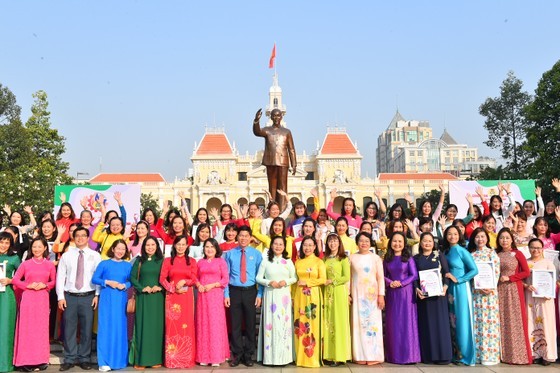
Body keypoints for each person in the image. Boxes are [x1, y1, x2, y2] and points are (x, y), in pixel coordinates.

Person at [56, 227, 102, 372]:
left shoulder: (95, 256)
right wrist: (60, 297)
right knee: (69, 328)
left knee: (86, 329)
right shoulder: (66, 256)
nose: (80, 238)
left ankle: (84, 358)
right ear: (73, 237)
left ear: (88, 238)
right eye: (78, 236)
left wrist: (96, 295)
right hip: (70, 296)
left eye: (83, 236)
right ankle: (69, 358)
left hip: (88, 296)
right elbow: (60, 277)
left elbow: (98, 277)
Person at [12, 237, 56, 372]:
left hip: (42, 298)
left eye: (39, 246)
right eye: (34, 247)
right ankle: (24, 361)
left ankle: (40, 359)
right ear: (31, 249)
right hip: (28, 299)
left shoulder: (49, 265)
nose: (37, 249)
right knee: (27, 329)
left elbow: (53, 282)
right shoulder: (25, 264)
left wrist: (45, 284)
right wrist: (28, 285)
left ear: (44, 248)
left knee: (41, 329)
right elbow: (15, 280)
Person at [223, 225, 263, 367]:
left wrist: (259, 293)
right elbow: (225, 277)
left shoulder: (257, 254)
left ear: (250, 237)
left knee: (251, 325)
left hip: (250, 291)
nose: (243, 238)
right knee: (235, 325)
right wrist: (226, 294)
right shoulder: (229, 254)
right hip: (234, 291)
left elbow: (260, 276)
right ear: (237, 237)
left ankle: (248, 354)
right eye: (241, 235)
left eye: (246, 236)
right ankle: (237, 354)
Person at [256, 236, 296, 366]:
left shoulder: (288, 262)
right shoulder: (266, 261)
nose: (278, 246)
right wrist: (269, 282)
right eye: (276, 244)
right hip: (270, 296)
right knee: (271, 324)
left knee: (283, 325)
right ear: (271, 246)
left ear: (284, 247)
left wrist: (286, 282)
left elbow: (294, 277)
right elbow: (258, 278)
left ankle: (284, 357)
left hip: (283, 296)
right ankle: (270, 357)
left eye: (281, 244)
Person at [92, 240, 132, 372]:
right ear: (113, 249)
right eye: (118, 248)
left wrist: (125, 285)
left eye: (123, 249)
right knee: (105, 328)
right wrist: (108, 282)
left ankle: (119, 360)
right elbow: (95, 279)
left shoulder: (128, 265)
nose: (120, 251)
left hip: (121, 299)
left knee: (119, 329)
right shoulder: (104, 263)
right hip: (107, 299)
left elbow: (132, 281)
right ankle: (103, 361)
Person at [413, 232, 452, 364]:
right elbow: (414, 277)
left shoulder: (439, 255)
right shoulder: (416, 258)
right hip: (424, 298)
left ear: (433, 243)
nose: (427, 243)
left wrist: (445, 287)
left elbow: (446, 273)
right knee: (426, 325)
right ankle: (428, 356)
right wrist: (416, 289)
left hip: (438, 296)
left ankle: (443, 356)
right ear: (420, 243)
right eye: (425, 241)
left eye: (430, 241)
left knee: (440, 325)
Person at [159, 235, 198, 368]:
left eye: (183, 244)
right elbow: (162, 279)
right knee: (172, 328)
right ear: (174, 245)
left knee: (186, 327)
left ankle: (186, 359)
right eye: (178, 244)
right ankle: (172, 360)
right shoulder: (168, 261)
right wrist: (173, 288)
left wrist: (184, 282)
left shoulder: (192, 261)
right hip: (172, 297)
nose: (181, 247)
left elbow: (194, 278)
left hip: (187, 297)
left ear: (187, 246)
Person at [383, 232, 421, 364]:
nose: (397, 244)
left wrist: (401, 283)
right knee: (394, 323)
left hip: (406, 294)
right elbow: (382, 275)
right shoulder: (387, 258)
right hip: (392, 294)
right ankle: (394, 356)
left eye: (400, 241)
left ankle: (409, 356)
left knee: (407, 323)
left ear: (404, 243)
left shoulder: (408, 258)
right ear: (390, 243)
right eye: (394, 241)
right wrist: (390, 282)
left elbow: (414, 275)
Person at [496, 228, 532, 364]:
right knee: (502, 320)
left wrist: (511, 277)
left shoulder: (518, 254)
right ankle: (504, 355)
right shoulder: (496, 255)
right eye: (501, 238)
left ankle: (518, 355)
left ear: (512, 239)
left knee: (515, 320)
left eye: (507, 237)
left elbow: (526, 272)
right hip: (500, 290)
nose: (504, 240)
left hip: (514, 290)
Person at [443, 225, 478, 366]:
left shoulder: (462, 251)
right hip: (449, 289)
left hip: (461, 289)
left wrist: (460, 279)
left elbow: (474, 270)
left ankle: (466, 356)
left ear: (460, 235)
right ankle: (456, 352)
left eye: (455, 234)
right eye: (449, 234)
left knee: (463, 321)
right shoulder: (445, 252)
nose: (452, 236)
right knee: (452, 321)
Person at [129, 237, 165, 369]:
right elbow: (132, 277)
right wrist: (141, 288)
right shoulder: (139, 260)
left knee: (156, 327)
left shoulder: (162, 261)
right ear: (143, 247)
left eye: (153, 245)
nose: (150, 247)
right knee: (142, 326)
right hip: (143, 297)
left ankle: (155, 359)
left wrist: (160, 287)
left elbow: (167, 277)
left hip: (158, 298)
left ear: (157, 246)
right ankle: (140, 360)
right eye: (147, 245)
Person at [349, 232, 385, 365]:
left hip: (372, 297)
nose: (364, 243)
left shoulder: (376, 258)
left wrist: (381, 295)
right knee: (358, 325)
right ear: (357, 242)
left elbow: (380, 278)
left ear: (371, 243)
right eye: (361, 241)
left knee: (372, 325)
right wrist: (348, 294)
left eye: (366, 241)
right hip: (357, 295)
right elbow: (349, 278)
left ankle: (374, 355)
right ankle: (359, 355)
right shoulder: (351, 258)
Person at [467, 228, 501, 366]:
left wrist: (490, 286)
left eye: (482, 236)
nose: (480, 239)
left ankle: (490, 355)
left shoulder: (492, 253)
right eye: (477, 237)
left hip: (490, 294)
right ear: (473, 239)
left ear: (487, 238)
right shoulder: (471, 255)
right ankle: (478, 354)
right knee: (477, 322)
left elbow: (496, 271)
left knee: (490, 322)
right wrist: (478, 286)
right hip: (476, 293)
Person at [252, 108, 297, 209]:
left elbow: (291, 149)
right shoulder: (267, 130)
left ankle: (281, 209)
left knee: (282, 187)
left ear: (281, 117)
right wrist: (256, 121)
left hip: (283, 162)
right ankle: (272, 208)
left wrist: (294, 164)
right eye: (274, 115)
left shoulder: (287, 132)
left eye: (278, 115)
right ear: (271, 117)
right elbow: (257, 132)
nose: (276, 117)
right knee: (272, 187)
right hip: (270, 162)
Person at [195, 238, 230, 367]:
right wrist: (198, 284)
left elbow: (225, 279)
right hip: (202, 296)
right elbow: (195, 277)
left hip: (215, 295)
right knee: (203, 324)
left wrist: (213, 285)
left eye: (212, 247)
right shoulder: (200, 262)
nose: (209, 249)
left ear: (216, 249)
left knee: (215, 324)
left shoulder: (221, 261)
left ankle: (216, 356)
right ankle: (203, 356)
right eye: (207, 247)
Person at [293, 236, 326, 367]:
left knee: (312, 324)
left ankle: (312, 358)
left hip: (313, 296)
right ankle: (300, 358)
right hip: (299, 296)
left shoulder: (319, 262)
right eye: (305, 245)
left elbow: (323, 279)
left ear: (314, 247)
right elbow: (294, 282)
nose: (307, 248)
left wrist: (308, 282)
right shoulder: (298, 262)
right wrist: (291, 297)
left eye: (310, 245)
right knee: (300, 325)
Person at [524, 238, 557, 365]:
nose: (535, 250)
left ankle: (547, 355)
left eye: (538, 247)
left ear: (542, 249)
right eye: (533, 247)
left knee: (546, 324)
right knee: (531, 323)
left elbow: (552, 281)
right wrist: (526, 286)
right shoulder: (525, 263)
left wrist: (549, 292)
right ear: (529, 248)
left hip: (545, 299)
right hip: (530, 297)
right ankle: (534, 354)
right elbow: (521, 280)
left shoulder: (548, 263)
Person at [323, 233, 351, 366]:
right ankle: (328, 354)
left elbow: (346, 277)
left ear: (339, 243)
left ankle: (339, 356)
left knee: (339, 322)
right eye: (330, 241)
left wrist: (332, 281)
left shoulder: (343, 258)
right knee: (328, 322)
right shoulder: (325, 258)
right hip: (327, 293)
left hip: (339, 292)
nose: (332, 244)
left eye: (335, 241)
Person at [0, 232, 21, 373]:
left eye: (7, 243)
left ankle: (5, 365)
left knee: (5, 330)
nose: (4, 245)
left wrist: (10, 280)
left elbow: (22, 277)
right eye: (1, 242)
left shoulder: (14, 258)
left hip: (6, 296)